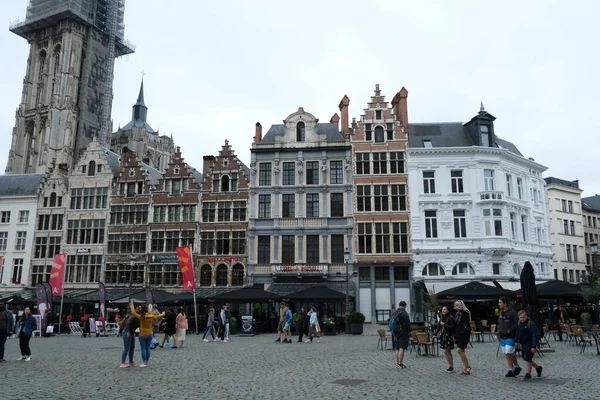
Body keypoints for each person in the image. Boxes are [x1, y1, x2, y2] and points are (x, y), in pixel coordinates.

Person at [129, 301, 165, 367]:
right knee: (148, 348)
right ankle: (147, 362)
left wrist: (131, 305)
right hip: (150, 333)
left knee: (143, 349)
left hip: (142, 333)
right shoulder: (150, 316)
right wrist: (163, 313)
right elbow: (158, 316)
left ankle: (144, 362)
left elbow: (134, 313)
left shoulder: (141, 317)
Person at [514, 310, 543, 380]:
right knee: (525, 357)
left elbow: (534, 335)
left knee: (528, 357)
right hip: (523, 343)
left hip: (529, 343)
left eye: (523, 317)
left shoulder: (530, 324)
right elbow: (517, 332)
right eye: (521, 317)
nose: (522, 319)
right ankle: (538, 367)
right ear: (518, 318)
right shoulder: (518, 323)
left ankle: (528, 373)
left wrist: (533, 346)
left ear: (526, 316)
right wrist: (516, 341)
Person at [497, 297, 521, 377]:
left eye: (500, 302)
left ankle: (516, 366)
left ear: (505, 303)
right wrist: (499, 331)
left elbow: (517, 323)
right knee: (506, 354)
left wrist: (510, 330)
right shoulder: (500, 313)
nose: (499, 304)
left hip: (510, 336)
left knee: (508, 352)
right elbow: (499, 323)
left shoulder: (512, 312)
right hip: (502, 336)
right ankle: (511, 369)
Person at [390, 300, 411, 369]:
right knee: (402, 347)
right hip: (403, 332)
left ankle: (397, 362)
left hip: (395, 331)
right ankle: (400, 363)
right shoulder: (404, 313)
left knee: (397, 347)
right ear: (405, 306)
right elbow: (408, 324)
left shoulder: (395, 312)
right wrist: (409, 331)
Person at [453, 300, 472, 375]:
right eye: (456, 305)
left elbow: (466, 316)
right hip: (458, 334)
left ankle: (467, 366)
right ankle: (465, 368)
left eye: (459, 305)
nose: (457, 306)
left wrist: (461, 309)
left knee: (459, 350)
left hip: (464, 333)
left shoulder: (466, 311)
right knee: (462, 350)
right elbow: (456, 324)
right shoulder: (457, 313)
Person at [435, 305, 455, 373]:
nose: (443, 310)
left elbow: (452, 327)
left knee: (446, 351)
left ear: (448, 310)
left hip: (448, 336)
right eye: (442, 309)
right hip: (443, 336)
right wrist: (435, 334)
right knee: (447, 351)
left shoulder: (450, 317)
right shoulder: (442, 317)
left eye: (444, 309)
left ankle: (451, 367)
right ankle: (450, 366)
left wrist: (444, 325)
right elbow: (439, 326)